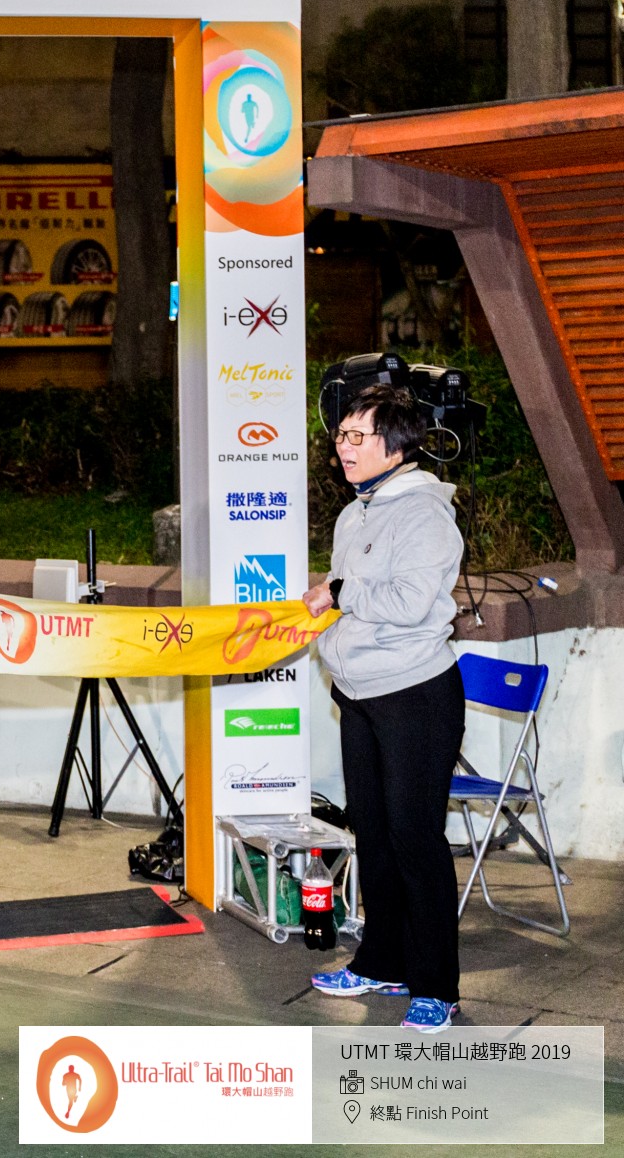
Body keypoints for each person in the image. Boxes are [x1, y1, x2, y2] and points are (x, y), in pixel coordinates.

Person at [300, 385, 465, 1034]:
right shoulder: (355, 514)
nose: (342, 448)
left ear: (395, 447)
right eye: (339, 436)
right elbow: (352, 597)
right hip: (360, 696)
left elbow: (411, 602)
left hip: (414, 696)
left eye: (356, 437)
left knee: (415, 839)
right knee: (371, 833)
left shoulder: (424, 514)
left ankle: (436, 986)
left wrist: (340, 591)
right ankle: (381, 961)